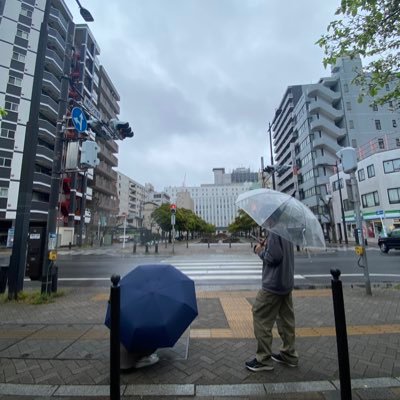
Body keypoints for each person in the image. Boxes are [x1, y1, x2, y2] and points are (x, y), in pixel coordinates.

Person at [245, 231, 298, 372]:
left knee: (259, 314)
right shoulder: (285, 230)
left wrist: (260, 251)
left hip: (273, 285)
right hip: (286, 282)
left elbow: (274, 257)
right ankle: (289, 354)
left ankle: (263, 359)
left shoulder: (275, 230)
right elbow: (280, 251)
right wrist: (268, 244)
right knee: (286, 320)